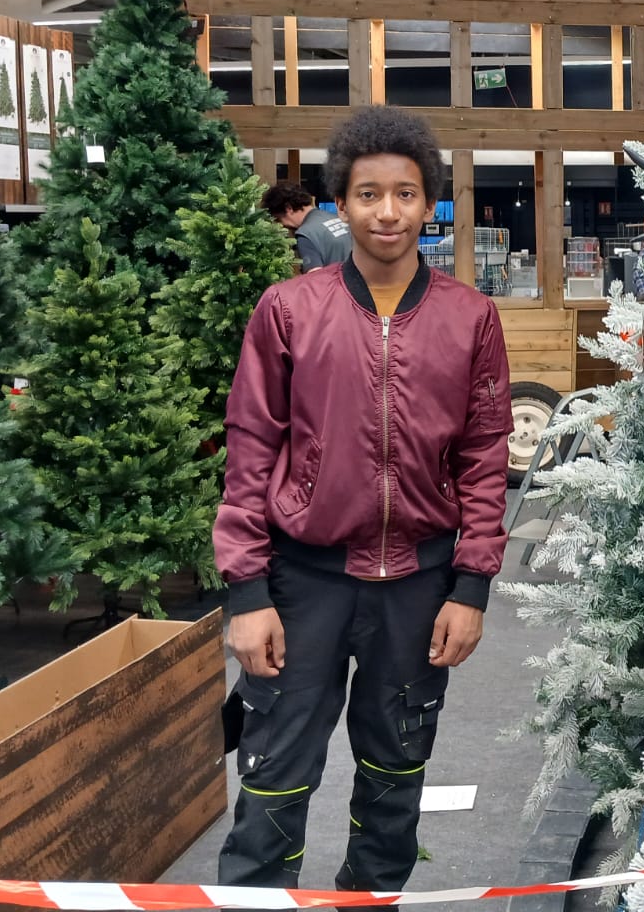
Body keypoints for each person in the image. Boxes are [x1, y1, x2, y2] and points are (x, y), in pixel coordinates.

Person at [214, 105, 511, 893]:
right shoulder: (289, 310)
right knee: (274, 773)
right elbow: (251, 450)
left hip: (419, 586)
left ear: (429, 203)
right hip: (304, 583)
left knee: (395, 774)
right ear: (340, 204)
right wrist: (247, 593)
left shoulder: (471, 318)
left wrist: (471, 587)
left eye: (405, 194)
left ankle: (371, 899)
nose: (388, 212)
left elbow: (485, 459)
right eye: (369, 194)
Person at [261, 180, 354, 271]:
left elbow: (314, 276)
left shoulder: (305, 234)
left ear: (289, 208)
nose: (281, 225)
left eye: (278, 219)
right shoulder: (338, 219)